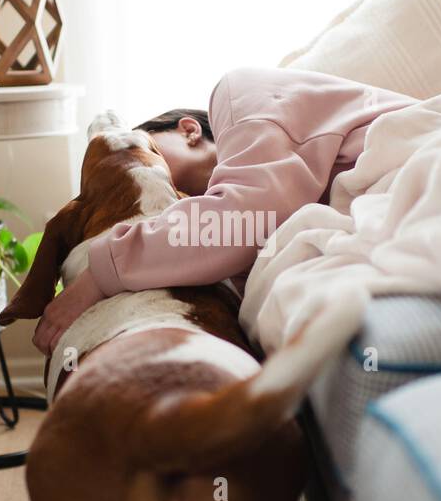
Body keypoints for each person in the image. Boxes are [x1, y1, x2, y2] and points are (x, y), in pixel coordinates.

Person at [28, 67, 416, 355]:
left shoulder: (239, 92)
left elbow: (245, 218)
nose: (168, 194)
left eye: (153, 158)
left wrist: (103, 271)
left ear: (188, 130)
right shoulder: (287, 177)